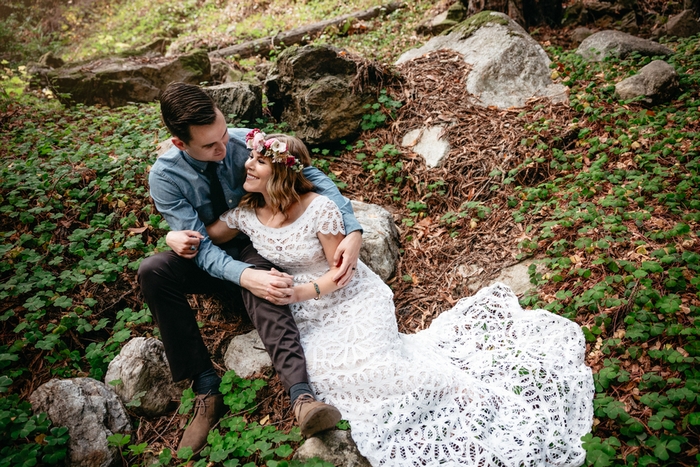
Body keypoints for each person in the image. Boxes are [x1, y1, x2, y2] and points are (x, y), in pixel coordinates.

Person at [169, 130, 595, 466]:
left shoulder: (319, 210)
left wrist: (302, 290)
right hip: (307, 312)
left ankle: (463, 392)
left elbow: (340, 272)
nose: (247, 163)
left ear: (281, 173)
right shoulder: (244, 213)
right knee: (328, 374)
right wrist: (174, 236)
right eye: (253, 157)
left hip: (349, 299)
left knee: (383, 366)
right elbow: (203, 239)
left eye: (259, 161)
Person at [138, 82, 364, 455]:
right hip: (210, 252)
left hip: (259, 244)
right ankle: (207, 388)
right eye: (211, 145)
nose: (226, 148)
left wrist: (352, 227)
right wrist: (176, 239)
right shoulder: (165, 177)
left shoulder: (250, 142)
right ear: (180, 144)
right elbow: (201, 244)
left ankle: (301, 396)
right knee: (153, 271)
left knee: (267, 281)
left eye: (224, 133)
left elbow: (314, 176)